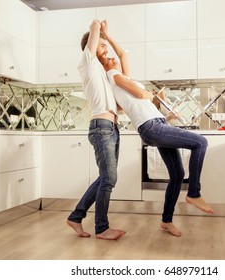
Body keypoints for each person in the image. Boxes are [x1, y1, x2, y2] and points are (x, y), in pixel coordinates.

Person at [101, 22, 214, 237]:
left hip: (157, 123)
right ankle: (194, 193)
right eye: (107, 58)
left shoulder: (121, 76)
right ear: (103, 66)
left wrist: (107, 34)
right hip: (151, 127)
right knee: (201, 142)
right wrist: (151, 96)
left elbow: (123, 54)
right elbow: (143, 96)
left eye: (111, 55)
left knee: (178, 174)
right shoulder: (113, 77)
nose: (113, 57)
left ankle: (166, 221)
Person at [66, 19, 125, 240]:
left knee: (105, 178)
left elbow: (118, 106)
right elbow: (93, 26)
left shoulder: (102, 74)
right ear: (90, 47)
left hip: (111, 127)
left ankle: (76, 217)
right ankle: (102, 228)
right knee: (109, 179)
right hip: (101, 128)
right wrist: (101, 31)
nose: (106, 49)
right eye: (102, 46)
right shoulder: (87, 63)